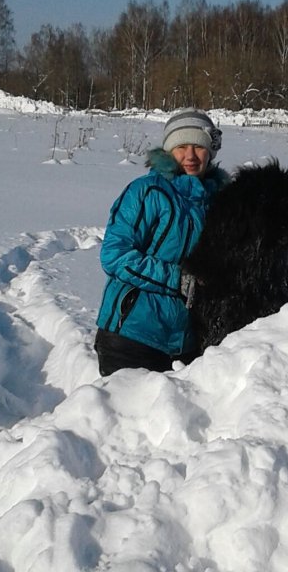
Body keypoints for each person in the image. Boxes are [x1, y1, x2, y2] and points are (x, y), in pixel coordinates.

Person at [94, 108, 228, 375]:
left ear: (210, 152)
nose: (190, 156)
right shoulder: (147, 192)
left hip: (187, 344)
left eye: (198, 147)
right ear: (168, 150)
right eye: (181, 146)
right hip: (131, 335)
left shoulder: (219, 204)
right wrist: (176, 279)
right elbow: (115, 254)